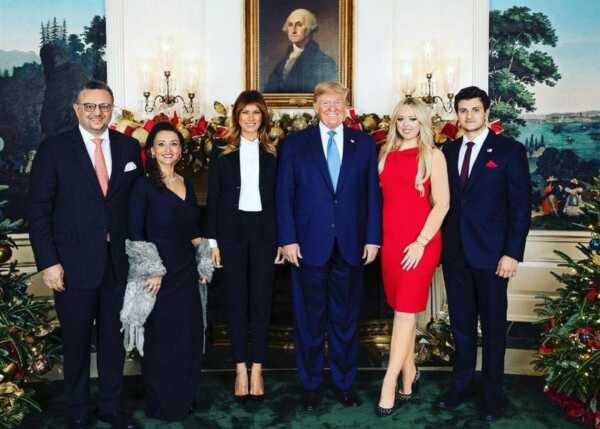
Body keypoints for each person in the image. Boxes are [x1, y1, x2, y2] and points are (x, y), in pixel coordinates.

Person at [28, 80, 141, 429]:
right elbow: (38, 211)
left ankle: (110, 406)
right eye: (89, 106)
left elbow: (136, 205)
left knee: (112, 342)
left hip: (118, 263)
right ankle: (77, 409)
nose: (97, 113)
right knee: (76, 341)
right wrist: (49, 262)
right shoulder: (54, 149)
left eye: (104, 106)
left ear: (112, 109)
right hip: (71, 265)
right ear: (76, 109)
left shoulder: (128, 147)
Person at [277, 81, 382, 410]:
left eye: (339, 102)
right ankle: (310, 385)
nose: (333, 108)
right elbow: (284, 194)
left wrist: (373, 238)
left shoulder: (364, 144)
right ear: (316, 107)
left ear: (347, 107)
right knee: (309, 320)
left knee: (346, 320)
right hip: (307, 246)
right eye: (326, 103)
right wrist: (288, 239)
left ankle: (344, 383)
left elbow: (372, 195)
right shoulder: (295, 144)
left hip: (351, 244)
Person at [438, 86, 531, 422]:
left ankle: (492, 395)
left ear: (486, 112)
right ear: (457, 114)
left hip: (493, 257)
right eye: (463, 110)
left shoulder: (509, 150)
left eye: (475, 109)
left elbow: (521, 206)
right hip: (455, 255)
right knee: (461, 326)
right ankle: (460, 386)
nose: (469, 116)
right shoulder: (447, 150)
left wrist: (512, 253)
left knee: (492, 328)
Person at [206, 90, 283, 400]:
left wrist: (282, 240)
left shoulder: (274, 151)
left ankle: (258, 369)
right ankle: (240, 368)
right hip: (231, 233)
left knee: (261, 302)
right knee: (236, 301)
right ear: (236, 117)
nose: (250, 118)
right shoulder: (220, 150)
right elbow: (213, 198)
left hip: (265, 233)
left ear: (263, 117)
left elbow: (281, 199)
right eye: (245, 112)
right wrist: (213, 241)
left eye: (256, 112)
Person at [127, 121, 206, 421]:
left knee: (187, 336)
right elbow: (135, 232)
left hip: (186, 272)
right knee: (161, 340)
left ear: (181, 150)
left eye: (174, 143)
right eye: (161, 144)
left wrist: (204, 260)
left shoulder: (188, 183)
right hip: (157, 277)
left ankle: (184, 399)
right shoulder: (143, 186)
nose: (168, 149)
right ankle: (162, 404)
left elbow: (193, 231)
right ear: (151, 150)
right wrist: (152, 270)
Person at [375, 97, 449, 416]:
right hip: (391, 242)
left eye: (413, 119)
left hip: (420, 243)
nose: (406, 125)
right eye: (401, 119)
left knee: (405, 311)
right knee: (399, 310)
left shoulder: (433, 155)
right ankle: (409, 374)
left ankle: (389, 382)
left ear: (423, 123)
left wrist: (420, 242)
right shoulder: (385, 153)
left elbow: (442, 204)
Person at [264, 8, 338, 93]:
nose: (293, 30)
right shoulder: (281, 65)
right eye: (290, 25)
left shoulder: (324, 62)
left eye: (299, 25)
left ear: (309, 28)